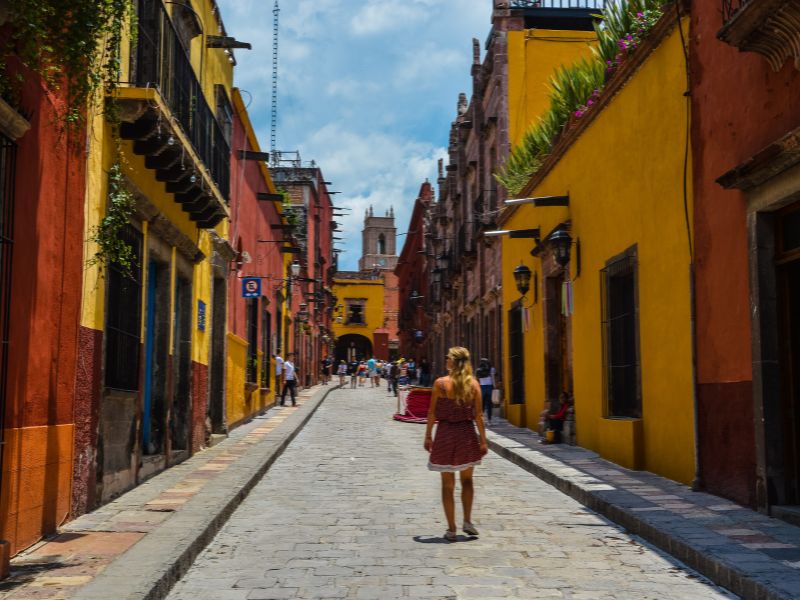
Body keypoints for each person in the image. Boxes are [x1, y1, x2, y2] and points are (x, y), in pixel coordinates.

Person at [424, 346, 488, 542]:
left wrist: (428, 435)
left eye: (448, 357)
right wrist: (483, 440)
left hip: (445, 434)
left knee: (447, 484)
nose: (445, 360)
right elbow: (478, 416)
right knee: (467, 481)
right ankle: (467, 521)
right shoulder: (474, 385)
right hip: (466, 434)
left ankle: (451, 529)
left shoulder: (440, 384)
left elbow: (432, 413)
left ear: (454, 361)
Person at [475, 358, 497, 424]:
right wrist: (495, 386)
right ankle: (489, 420)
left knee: (482, 404)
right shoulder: (492, 369)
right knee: (489, 404)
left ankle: (481, 420)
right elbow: (493, 378)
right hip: (489, 387)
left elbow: (477, 379)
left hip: (482, 387)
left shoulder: (478, 370)